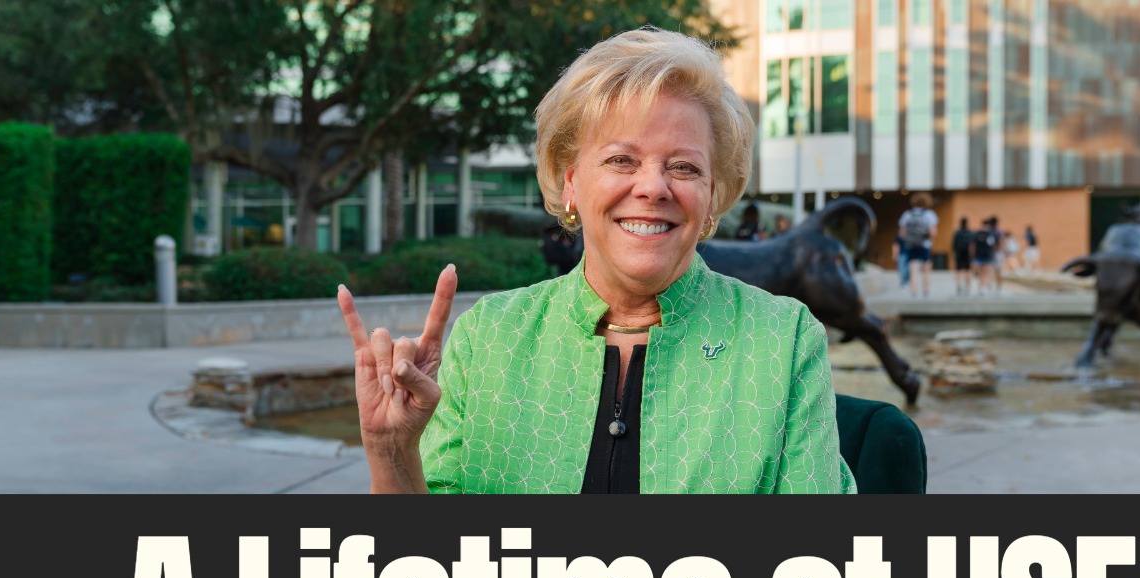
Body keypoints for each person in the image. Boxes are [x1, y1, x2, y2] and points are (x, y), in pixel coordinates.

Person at [335, 27, 853, 495]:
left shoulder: (783, 340)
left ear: (714, 195)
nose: (652, 187)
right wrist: (392, 454)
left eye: (683, 166)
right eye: (621, 160)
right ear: (570, 182)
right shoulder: (488, 337)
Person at [897, 192, 937, 298]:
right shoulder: (929, 214)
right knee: (926, 269)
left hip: (911, 245)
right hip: (925, 245)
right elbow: (933, 232)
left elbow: (901, 233)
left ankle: (913, 292)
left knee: (913, 269)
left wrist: (910, 239)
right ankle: (926, 292)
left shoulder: (907, 214)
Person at [971, 217, 999, 295]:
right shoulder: (990, 234)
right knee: (986, 273)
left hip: (978, 256)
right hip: (988, 256)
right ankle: (985, 287)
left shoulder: (977, 234)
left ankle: (982, 287)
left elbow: (973, 246)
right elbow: (993, 246)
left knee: (981, 274)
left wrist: (973, 256)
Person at [951, 217, 975, 296]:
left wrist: (954, 254)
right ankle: (967, 287)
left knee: (959, 270)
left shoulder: (957, 233)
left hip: (959, 253)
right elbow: (973, 245)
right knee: (968, 270)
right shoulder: (970, 233)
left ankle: (959, 285)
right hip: (968, 254)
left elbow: (953, 245)